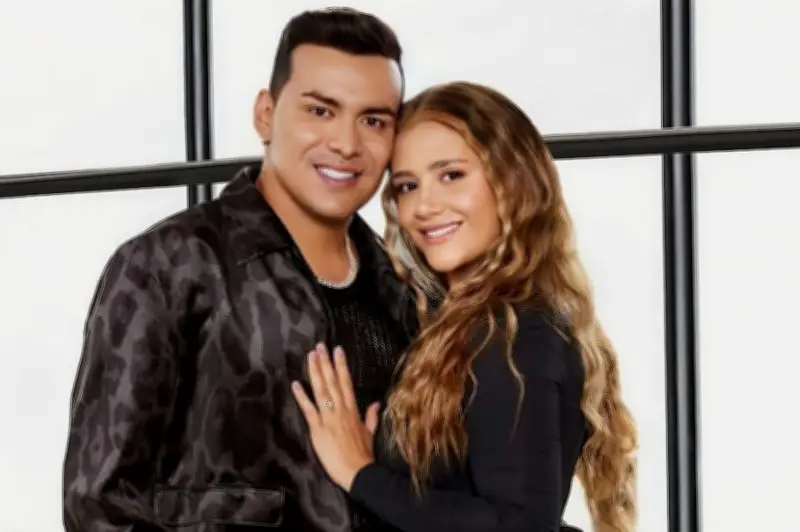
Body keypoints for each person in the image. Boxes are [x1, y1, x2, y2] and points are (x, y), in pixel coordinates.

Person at [62, 7, 416, 531]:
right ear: (265, 114)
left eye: (373, 121)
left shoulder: (402, 287)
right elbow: (98, 506)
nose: (346, 143)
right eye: (320, 111)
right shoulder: (169, 265)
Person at [291, 81, 639, 532]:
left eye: (451, 175)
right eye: (407, 186)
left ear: (512, 182)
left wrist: (361, 474)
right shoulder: (457, 324)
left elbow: (519, 526)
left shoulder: (517, 335)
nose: (424, 206)